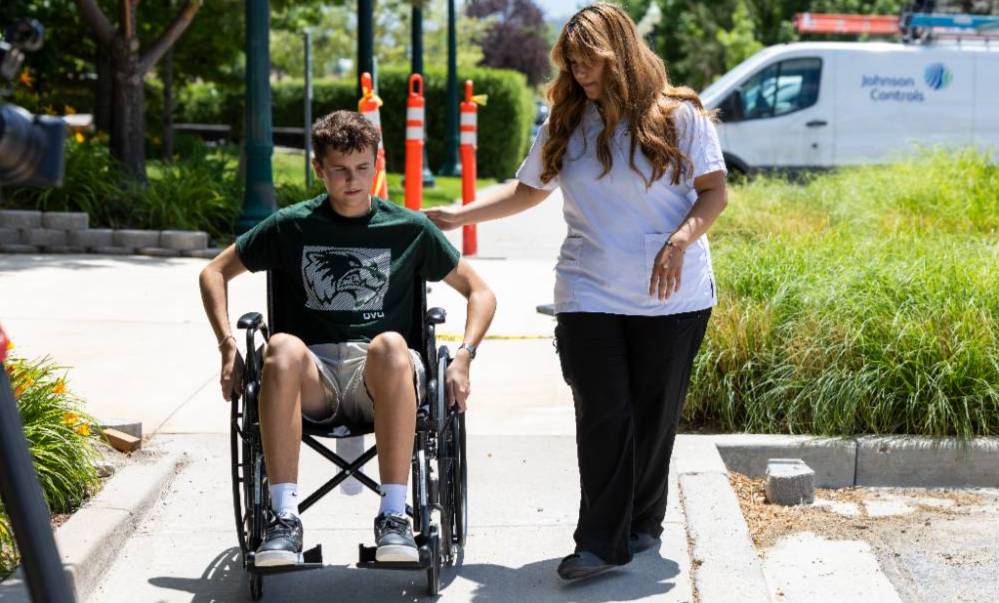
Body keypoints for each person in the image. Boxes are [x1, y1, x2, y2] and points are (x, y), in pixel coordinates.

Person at [426, 3, 728, 581]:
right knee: (603, 412)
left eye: (589, 63)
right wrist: (456, 214)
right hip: (588, 289)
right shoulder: (568, 122)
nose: (581, 75)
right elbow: (525, 192)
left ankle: (643, 523)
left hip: (672, 294)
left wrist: (679, 241)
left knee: (652, 415)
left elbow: (713, 193)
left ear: (619, 57)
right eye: (572, 64)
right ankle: (599, 542)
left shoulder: (680, 117)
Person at [199, 110, 496, 567]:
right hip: (311, 378)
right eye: (339, 170)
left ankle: (394, 517)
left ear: (377, 164)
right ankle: (284, 519)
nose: (352, 180)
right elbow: (214, 272)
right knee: (279, 346)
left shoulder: (410, 229)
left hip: (381, 378)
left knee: (392, 344)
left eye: (362, 168)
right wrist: (227, 345)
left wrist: (464, 356)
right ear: (319, 169)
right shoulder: (290, 225)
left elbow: (480, 291)